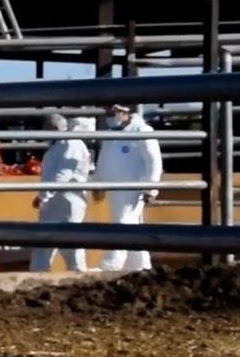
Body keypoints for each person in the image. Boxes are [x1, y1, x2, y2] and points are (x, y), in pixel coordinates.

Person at [94, 103, 163, 272]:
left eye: (114, 112)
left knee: (123, 222)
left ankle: (111, 263)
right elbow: (103, 160)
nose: (111, 116)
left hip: (134, 187)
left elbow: (153, 160)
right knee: (131, 224)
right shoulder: (111, 134)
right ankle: (140, 266)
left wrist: (151, 187)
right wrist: (98, 182)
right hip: (114, 188)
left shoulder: (142, 131)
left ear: (125, 112)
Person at [30, 113, 94, 272]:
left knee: (71, 244)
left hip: (68, 200)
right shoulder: (61, 145)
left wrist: (43, 195)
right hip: (55, 200)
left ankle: (78, 277)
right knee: (45, 242)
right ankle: (39, 274)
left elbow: (63, 175)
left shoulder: (71, 144)